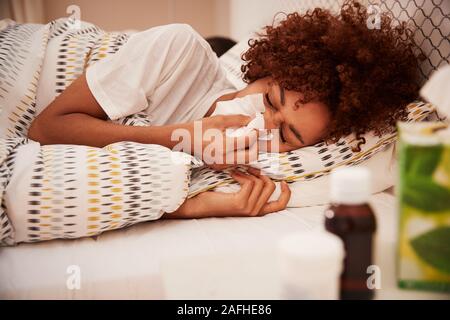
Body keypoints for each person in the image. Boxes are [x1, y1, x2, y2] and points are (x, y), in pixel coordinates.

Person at [27, 0, 420, 218]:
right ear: (267, 69)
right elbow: (44, 129)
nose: (263, 123)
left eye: (285, 134)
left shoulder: (242, 167)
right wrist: (183, 137)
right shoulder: (178, 50)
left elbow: (123, 191)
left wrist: (202, 207)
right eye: (270, 100)